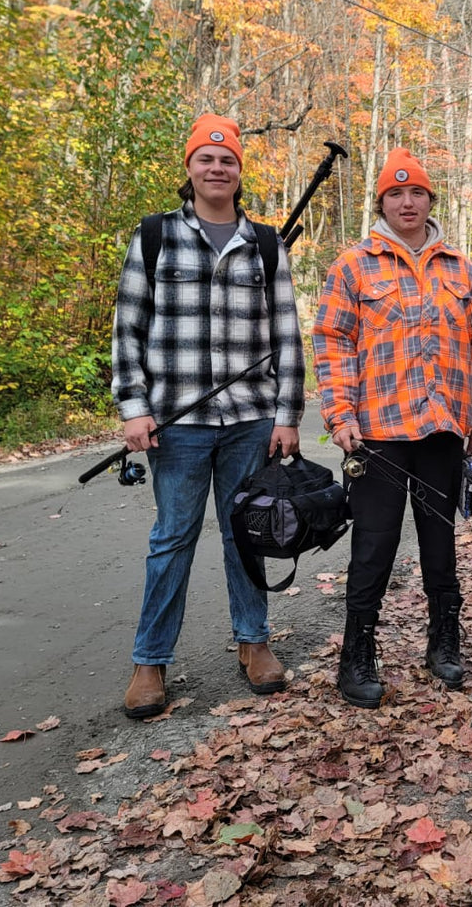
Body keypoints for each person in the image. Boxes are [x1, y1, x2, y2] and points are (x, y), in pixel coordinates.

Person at [113, 114, 306, 719]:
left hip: (250, 418)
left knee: (243, 532)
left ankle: (254, 644)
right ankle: (150, 662)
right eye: (206, 159)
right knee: (172, 537)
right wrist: (134, 407)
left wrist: (287, 413)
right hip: (178, 422)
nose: (216, 169)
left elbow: (287, 335)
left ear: (239, 172)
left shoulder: (266, 244)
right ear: (190, 169)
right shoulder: (154, 235)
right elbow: (128, 327)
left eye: (227, 161)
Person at [312, 148, 472, 708]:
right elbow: (332, 341)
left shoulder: (460, 268)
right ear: (382, 202)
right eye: (396, 193)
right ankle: (357, 655)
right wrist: (340, 415)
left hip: (442, 431)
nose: (407, 202)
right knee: (374, 545)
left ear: (430, 201)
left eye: (417, 193)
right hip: (379, 434)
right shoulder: (354, 265)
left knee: (440, 544)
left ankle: (444, 643)